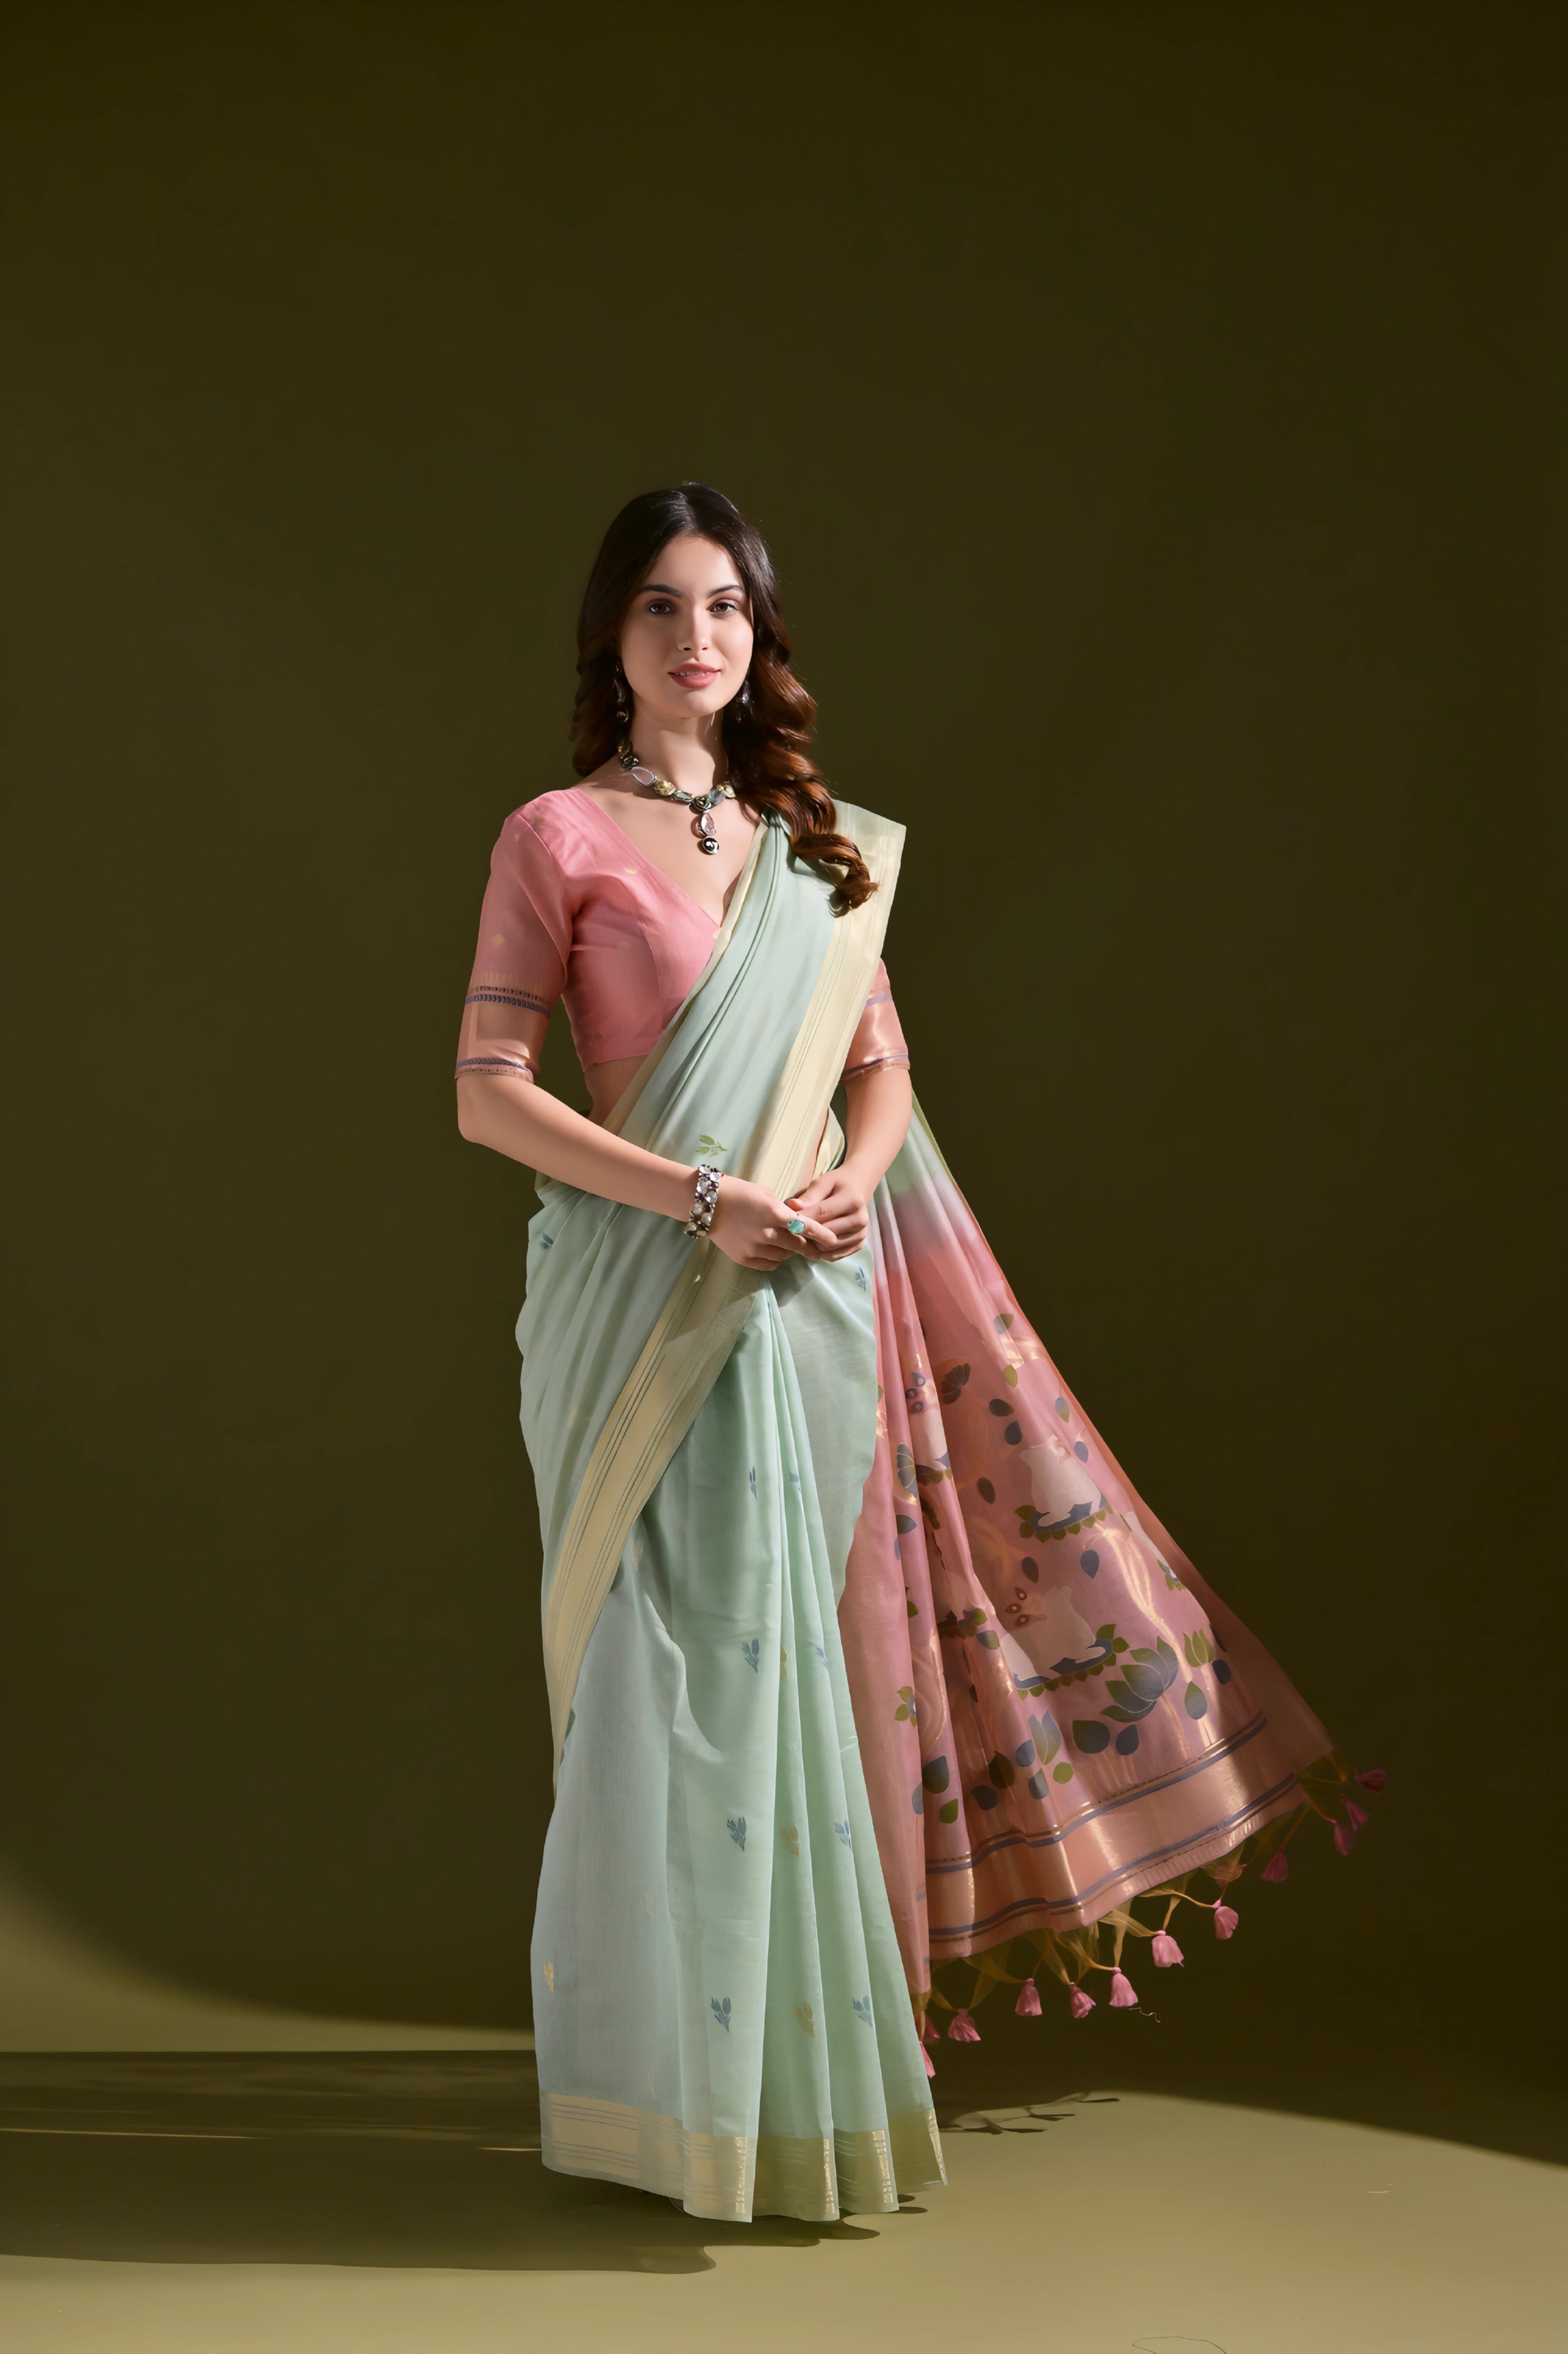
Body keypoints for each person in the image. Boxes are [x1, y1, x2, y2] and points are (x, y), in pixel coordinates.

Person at [454, 483, 1368, 2223]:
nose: (697, 639)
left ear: (761, 636)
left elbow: (881, 1072)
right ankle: (664, 2103)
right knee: (670, 1685)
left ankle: (799, 2090)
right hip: (644, 1297)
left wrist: (845, 1186)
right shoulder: (554, 837)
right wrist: (706, 1196)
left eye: (727, 607)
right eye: (660, 607)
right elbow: (487, 1094)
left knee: (805, 1663)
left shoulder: (818, 847)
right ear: (610, 637)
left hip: (809, 1293)